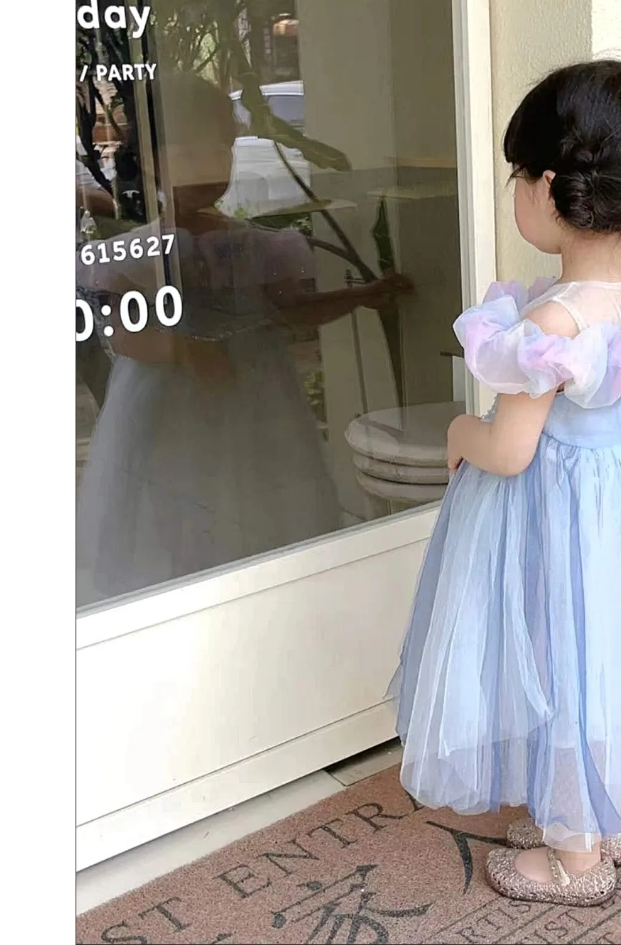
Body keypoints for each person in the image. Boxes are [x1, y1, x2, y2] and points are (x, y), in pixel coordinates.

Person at [389, 60, 621, 906]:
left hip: (556, 515)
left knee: (559, 661)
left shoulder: (551, 321)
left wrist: (459, 434)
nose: (515, 189)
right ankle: (602, 809)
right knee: (610, 656)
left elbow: (511, 449)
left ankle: (577, 859)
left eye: (517, 173)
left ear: (549, 187)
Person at [76, 69, 409, 606]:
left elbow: (292, 313)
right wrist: (186, 349)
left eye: (222, 148)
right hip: (170, 406)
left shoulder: (261, 247)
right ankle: (190, 602)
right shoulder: (138, 252)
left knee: (263, 498)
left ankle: (260, 600)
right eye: (190, 151)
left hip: (257, 394)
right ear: (153, 162)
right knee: (181, 501)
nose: (211, 162)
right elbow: (125, 333)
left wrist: (362, 295)